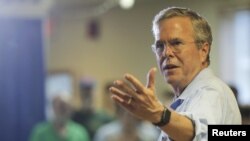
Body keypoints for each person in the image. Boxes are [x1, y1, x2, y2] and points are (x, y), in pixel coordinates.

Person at [109, 7, 241, 141]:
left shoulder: (210, 91)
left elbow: (200, 133)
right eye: (160, 46)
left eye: (176, 43)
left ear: (203, 50)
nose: (166, 53)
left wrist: (158, 114)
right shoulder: (185, 99)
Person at [93, 103, 159, 141]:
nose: (128, 116)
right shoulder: (105, 134)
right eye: (123, 111)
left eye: (131, 112)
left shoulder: (150, 135)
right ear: (118, 113)